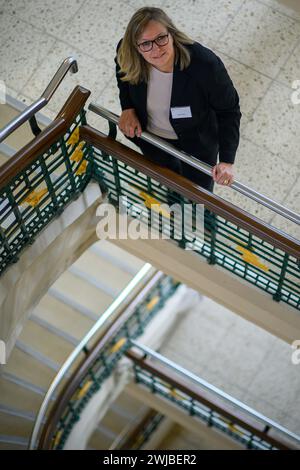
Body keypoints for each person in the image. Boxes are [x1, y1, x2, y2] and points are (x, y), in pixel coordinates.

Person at [115, 7, 241, 193]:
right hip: (152, 138)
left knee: (198, 193)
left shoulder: (205, 65)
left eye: (161, 38)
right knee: (168, 178)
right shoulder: (126, 53)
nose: (156, 49)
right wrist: (127, 107)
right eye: (145, 44)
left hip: (196, 143)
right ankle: (174, 200)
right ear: (136, 47)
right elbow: (123, 75)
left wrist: (227, 160)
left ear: (172, 34)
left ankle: (203, 221)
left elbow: (229, 111)